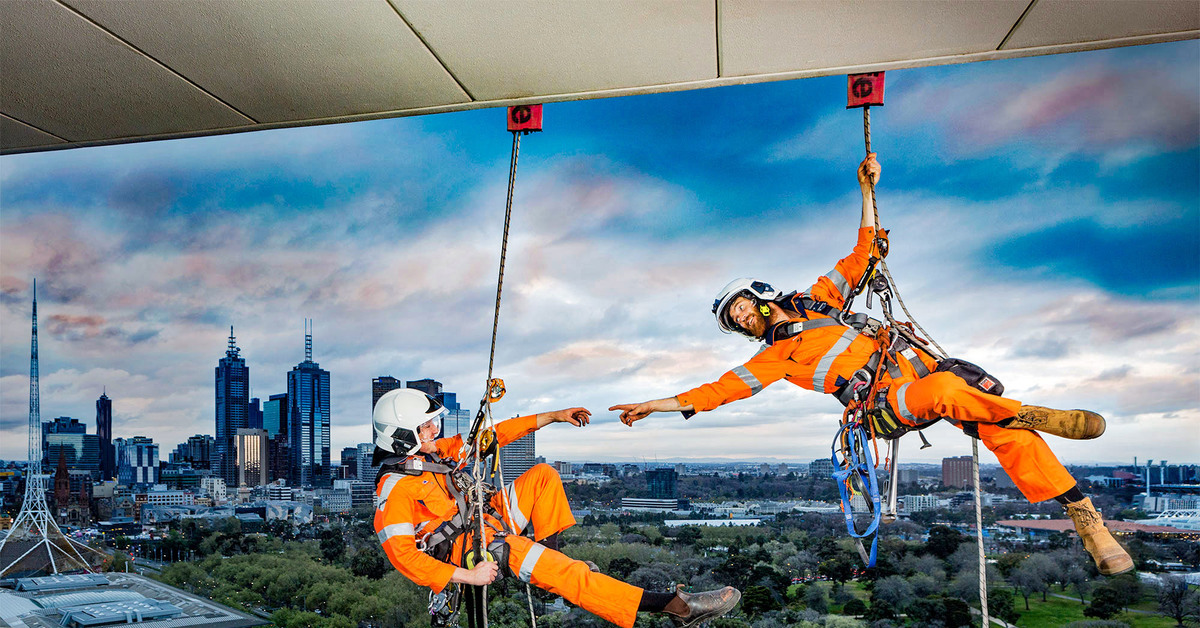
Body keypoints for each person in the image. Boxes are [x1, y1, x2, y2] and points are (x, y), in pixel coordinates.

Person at [609, 154, 1133, 576]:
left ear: (759, 296)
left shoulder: (818, 300)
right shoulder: (774, 358)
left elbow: (863, 253)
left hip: (917, 363)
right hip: (887, 400)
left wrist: (865, 191)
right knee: (948, 392)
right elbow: (717, 390)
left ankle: (1088, 523)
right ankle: (1034, 412)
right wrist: (654, 406)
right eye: (735, 318)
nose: (743, 317)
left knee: (1006, 433)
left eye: (742, 306)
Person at [372, 388, 741, 628]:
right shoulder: (395, 488)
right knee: (573, 576)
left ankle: (551, 566)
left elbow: (494, 436)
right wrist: (468, 577)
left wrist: (553, 416)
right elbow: (404, 557)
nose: (435, 431)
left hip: (487, 519)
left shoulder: (437, 455)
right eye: (426, 427)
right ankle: (678, 607)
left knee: (543, 475)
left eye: (434, 423)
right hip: (473, 550)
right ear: (402, 436)